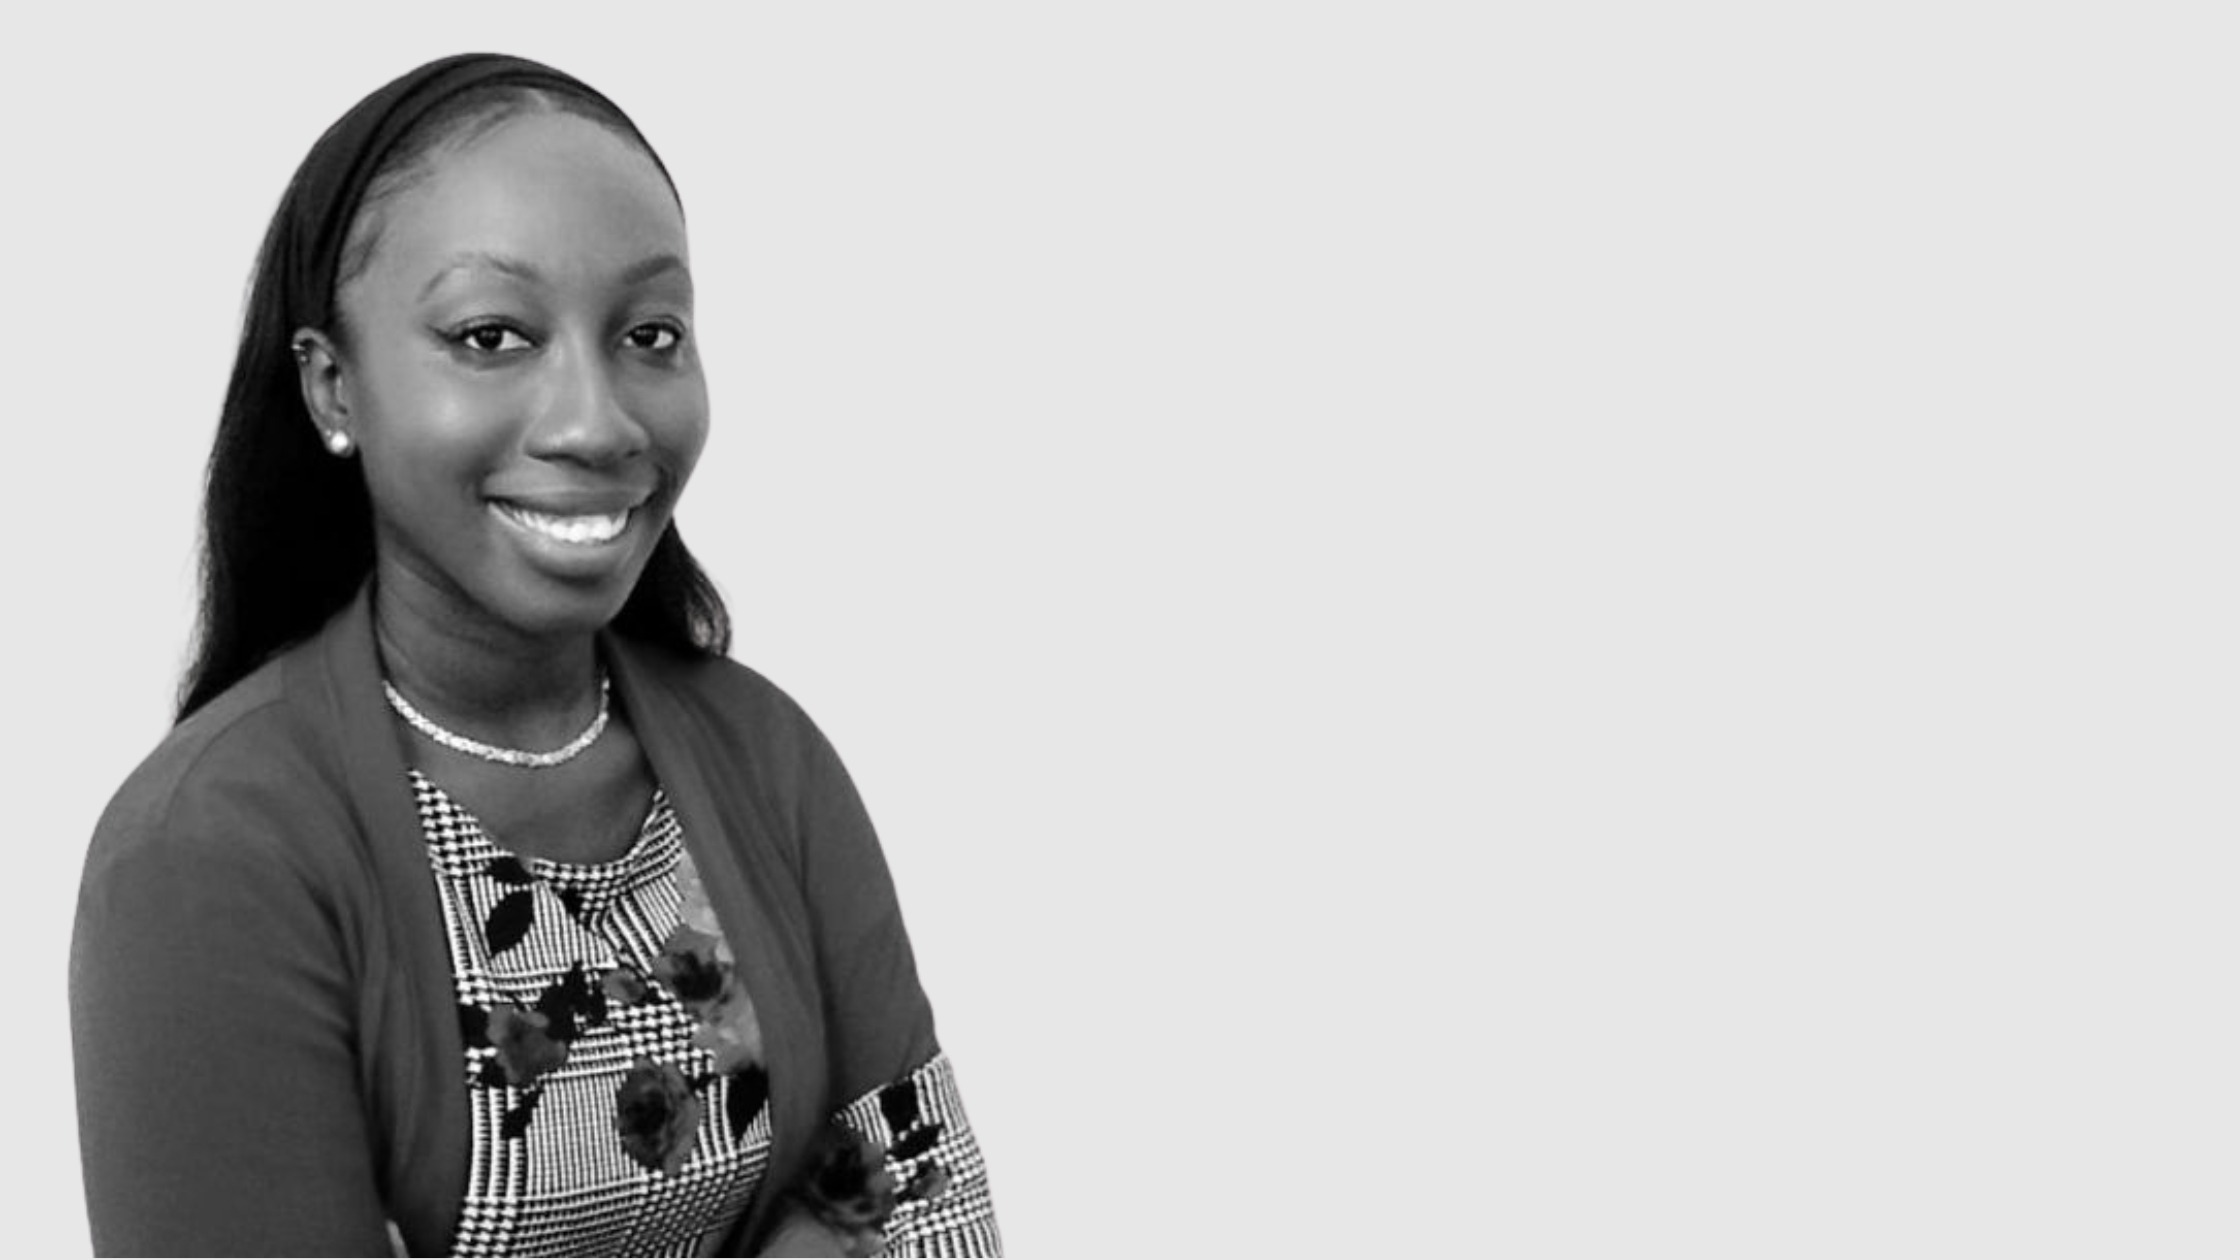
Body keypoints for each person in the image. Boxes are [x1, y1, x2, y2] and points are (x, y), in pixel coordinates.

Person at [68, 53, 999, 1257]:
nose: (596, 421)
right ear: (333, 388)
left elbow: (919, 1203)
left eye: (648, 334)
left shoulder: (765, 757)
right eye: (492, 334)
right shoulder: (210, 853)